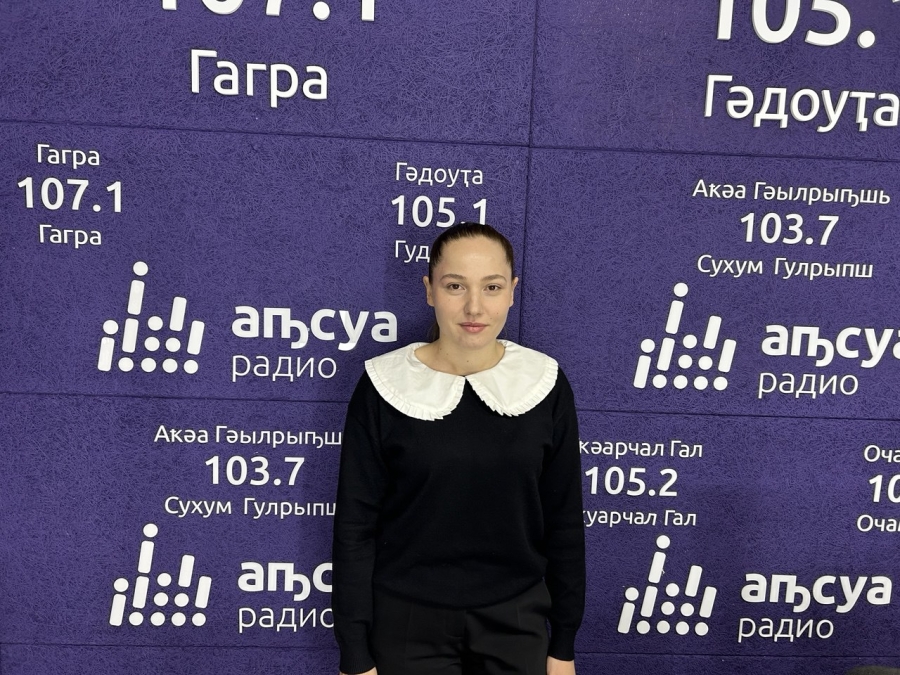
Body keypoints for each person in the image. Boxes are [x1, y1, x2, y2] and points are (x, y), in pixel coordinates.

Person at [332, 222, 585, 675]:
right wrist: (354, 654)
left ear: (513, 292)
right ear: (429, 290)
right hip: (405, 622)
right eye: (455, 286)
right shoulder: (383, 385)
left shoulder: (545, 383)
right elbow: (355, 527)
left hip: (517, 620)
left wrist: (563, 645)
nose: (474, 306)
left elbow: (564, 520)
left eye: (492, 287)